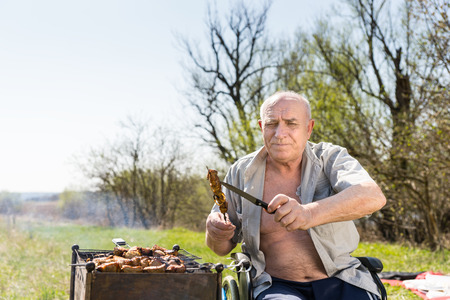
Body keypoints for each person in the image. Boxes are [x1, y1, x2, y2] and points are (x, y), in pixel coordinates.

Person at [205, 91, 387, 300]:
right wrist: (216, 233)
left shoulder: (331, 158)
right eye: (272, 124)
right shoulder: (240, 172)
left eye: (291, 123)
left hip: (342, 278)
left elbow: (373, 196)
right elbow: (220, 248)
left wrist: (309, 214)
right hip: (275, 287)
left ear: (308, 128)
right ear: (261, 127)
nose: (280, 133)